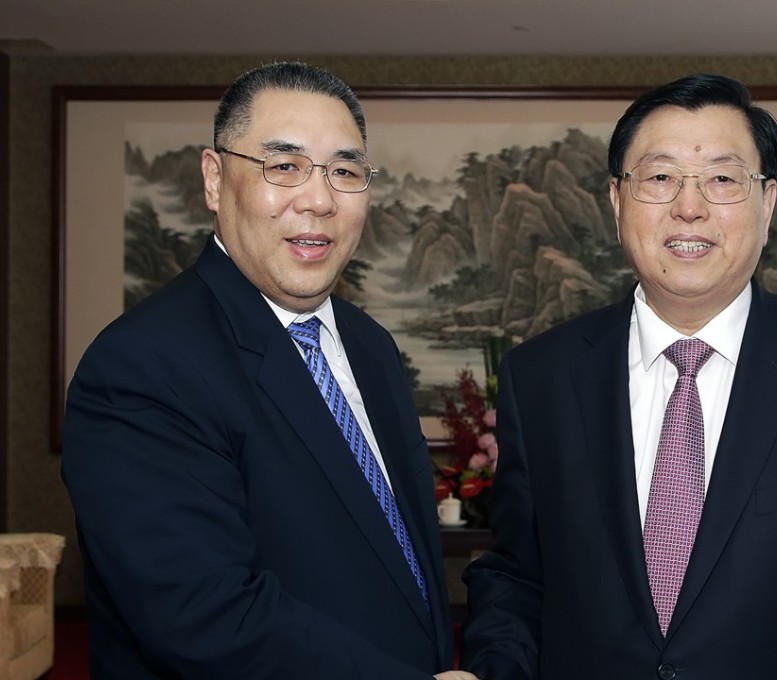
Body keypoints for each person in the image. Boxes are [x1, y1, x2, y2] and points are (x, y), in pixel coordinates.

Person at [460, 73, 777, 679]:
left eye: (721, 178)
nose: (689, 207)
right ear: (617, 201)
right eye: (660, 177)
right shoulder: (540, 375)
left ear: (767, 202)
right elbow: (519, 575)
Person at [62, 61, 477, 680]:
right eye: (283, 166)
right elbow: (202, 611)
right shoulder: (143, 364)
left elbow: (397, 559)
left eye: (344, 171)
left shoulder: (370, 349)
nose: (318, 200)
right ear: (214, 178)